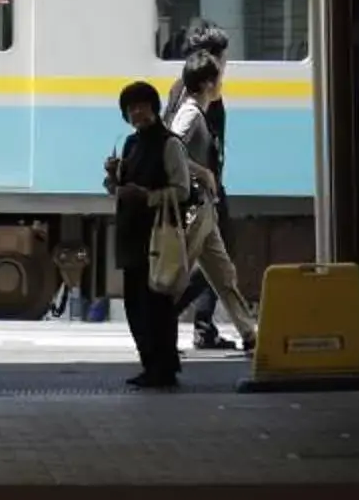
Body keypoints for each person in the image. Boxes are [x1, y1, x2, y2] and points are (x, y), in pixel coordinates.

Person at [168, 50, 259, 350]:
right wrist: (203, 173)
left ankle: (249, 332)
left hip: (205, 208)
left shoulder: (197, 110)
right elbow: (171, 149)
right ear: (209, 83)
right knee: (179, 273)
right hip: (195, 208)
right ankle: (157, 325)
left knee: (224, 274)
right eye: (219, 77)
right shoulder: (191, 112)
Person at [105, 80, 194, 388]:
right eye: (130, 109)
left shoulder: (169, 144)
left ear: (154, 108)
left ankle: (164, 368)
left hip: (157, 236)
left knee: (156, 303)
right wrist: (111, 177)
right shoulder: (130, 144)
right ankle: (150, 364)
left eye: (141, 106)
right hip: (131, 235)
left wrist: (146, 197)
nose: (136, 113)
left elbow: (182, 191)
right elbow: (118, 191)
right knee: (135, 304)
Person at [170, 21, 238, 349]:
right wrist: (206, 177)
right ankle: (169, 313)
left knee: (215, 256)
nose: (226, 66)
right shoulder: (193, 95)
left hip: (206, 189)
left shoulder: (188, 89)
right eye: (223, 59)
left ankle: (202, 324)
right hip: (198, 192)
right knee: (209, 257)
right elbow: (175, 146)